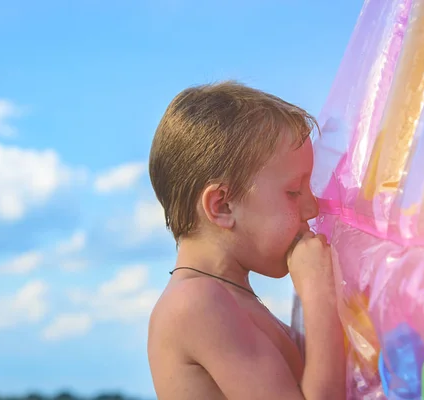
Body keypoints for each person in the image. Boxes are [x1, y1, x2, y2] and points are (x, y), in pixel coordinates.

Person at [146, 81, 346, 399]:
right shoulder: (195, 304)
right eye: (294, 192)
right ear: (222, 206)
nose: (313, 207)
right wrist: (321, 296)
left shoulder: (230, 298)